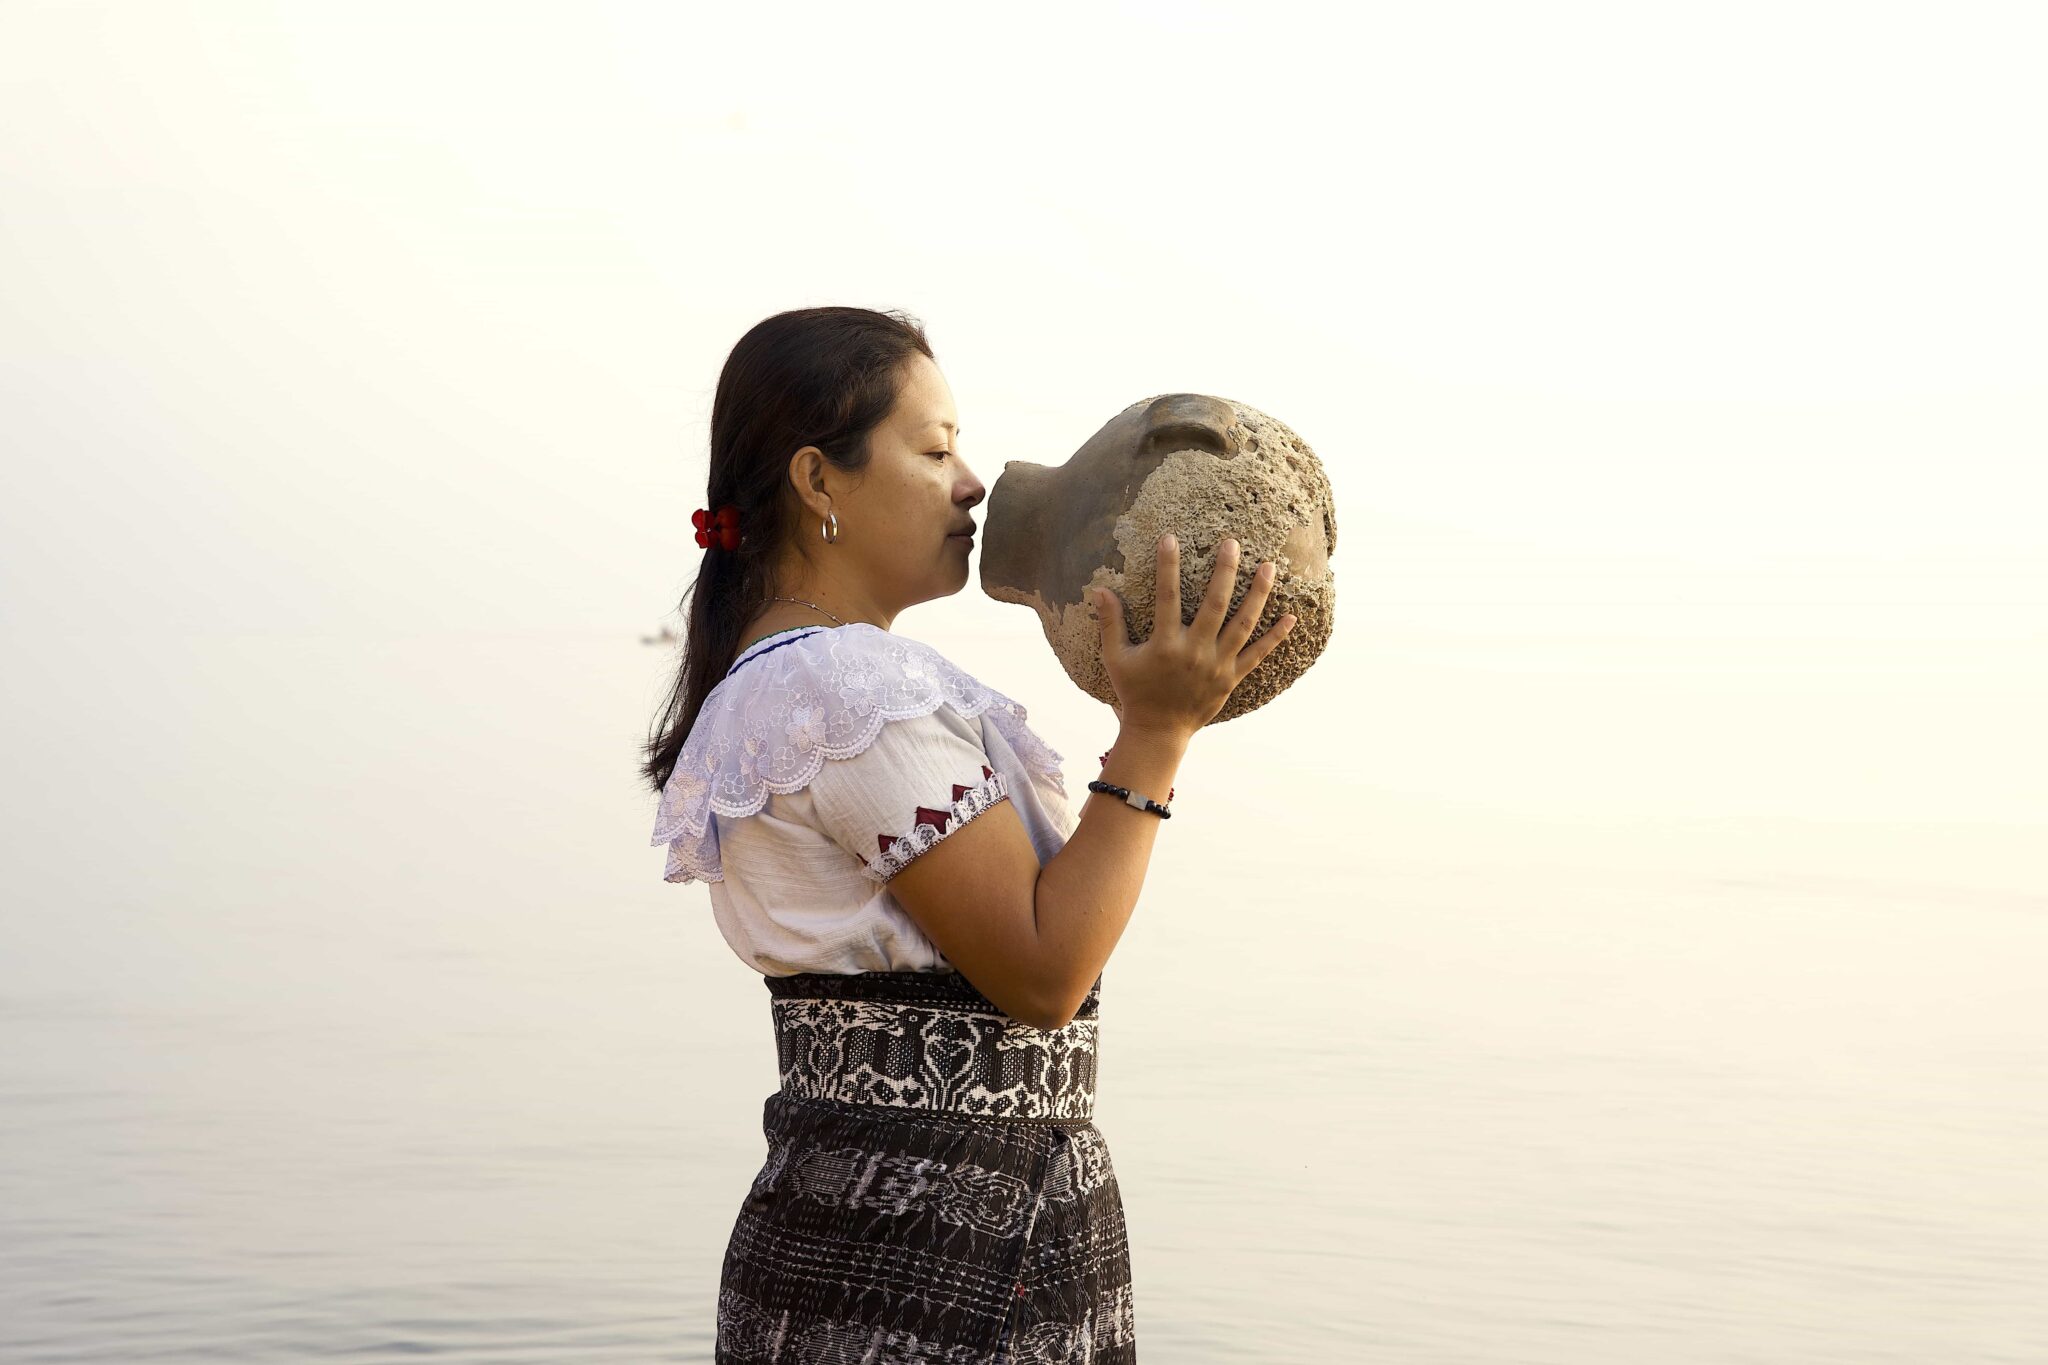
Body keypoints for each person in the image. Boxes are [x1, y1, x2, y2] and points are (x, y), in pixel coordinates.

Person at [642, 306, 1296, 1363]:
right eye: (934, 448)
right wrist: (1157, 735)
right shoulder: (848, 689)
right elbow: (1043, 974)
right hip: (951, 1255)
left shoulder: (783, 686)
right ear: (818, 482)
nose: (972, 483)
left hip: (852, 1230)